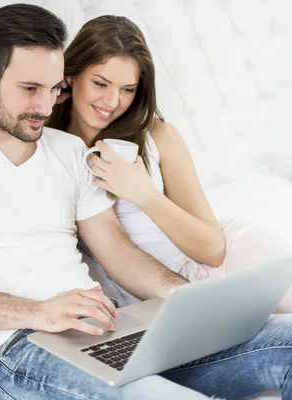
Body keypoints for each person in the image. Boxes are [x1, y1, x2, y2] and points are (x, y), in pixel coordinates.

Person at [0, 5, 292, 400]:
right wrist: (39, 313)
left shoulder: (68, 151)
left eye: (53, 88)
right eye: (29, 89)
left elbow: (118, 253)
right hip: (24, 348)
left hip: (110, 328)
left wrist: (181, 298)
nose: (44, 106)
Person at [47, 15, 292, 313]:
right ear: (70, 75)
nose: (112, 101)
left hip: (230, 259)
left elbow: (213, 249)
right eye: (101, 83)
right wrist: (45, 98)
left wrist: (144, 194)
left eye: (128, 89)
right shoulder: (49, 147)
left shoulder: (158, 135)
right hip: (155, 289)